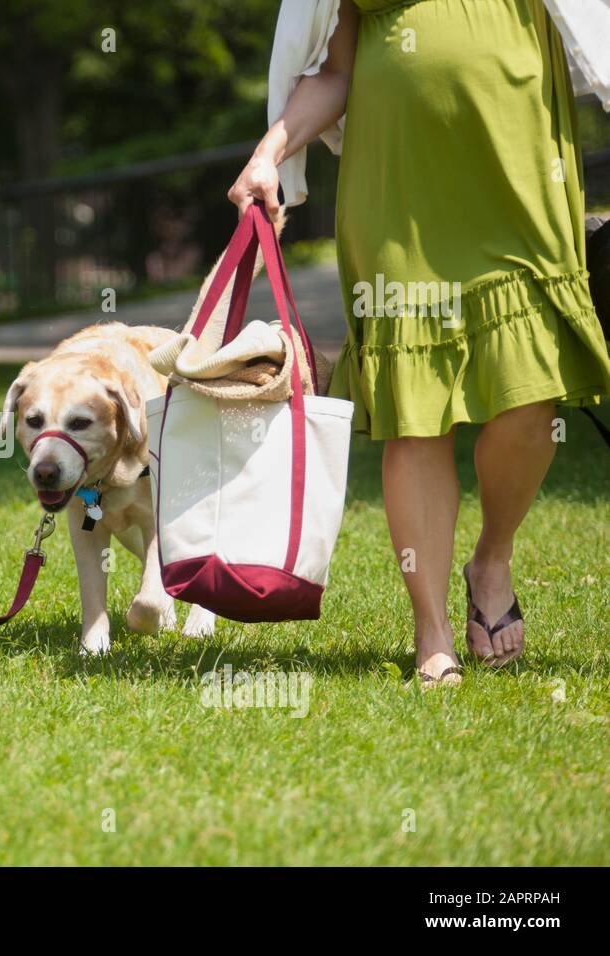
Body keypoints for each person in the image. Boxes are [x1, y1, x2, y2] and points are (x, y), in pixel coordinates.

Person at [229, 0, 610, 684]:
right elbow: (334, 71)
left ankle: (492, 557)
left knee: (533, 399)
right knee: (414, 413)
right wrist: (270, 152)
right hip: (398, 195)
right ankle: (432, 629)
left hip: (519, 182)